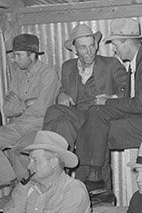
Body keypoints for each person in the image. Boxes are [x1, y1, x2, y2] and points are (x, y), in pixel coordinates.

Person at [75, 18, 142, 204]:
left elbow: (139, 105)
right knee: (95, 115)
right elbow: (132, 104)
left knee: (98, 131)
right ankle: (95, 180)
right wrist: (106, 103)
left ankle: (96, 183)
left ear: (126, 42)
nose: (114, 50)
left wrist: (108, 102)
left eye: (115, 45)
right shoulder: (136, 63)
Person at [43, 23, 128, 198]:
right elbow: (62, 90)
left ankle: (47, 164)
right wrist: (62, 95)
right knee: (58, 117)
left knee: (58, 118)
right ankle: (57, 173)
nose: (89, 52)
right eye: (83, 48)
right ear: (75, 50)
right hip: (78, 115)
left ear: (96, 45)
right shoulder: (68, 67)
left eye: (92, 46)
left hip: (100, 118)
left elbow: (127, 91)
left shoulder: (111, 64)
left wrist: (110, 99)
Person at [0, 34, 60, 206]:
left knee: (17, 151)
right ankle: (13, 183)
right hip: (18, 124)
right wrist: (26, 104)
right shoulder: (18, 75)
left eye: (18, 55)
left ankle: (15, 193)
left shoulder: (48, 73)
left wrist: (20, 105)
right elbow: (7, 109)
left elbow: (43, 108)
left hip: (39, 125)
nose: (14, 60)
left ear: (32, 54)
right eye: (13, 55)